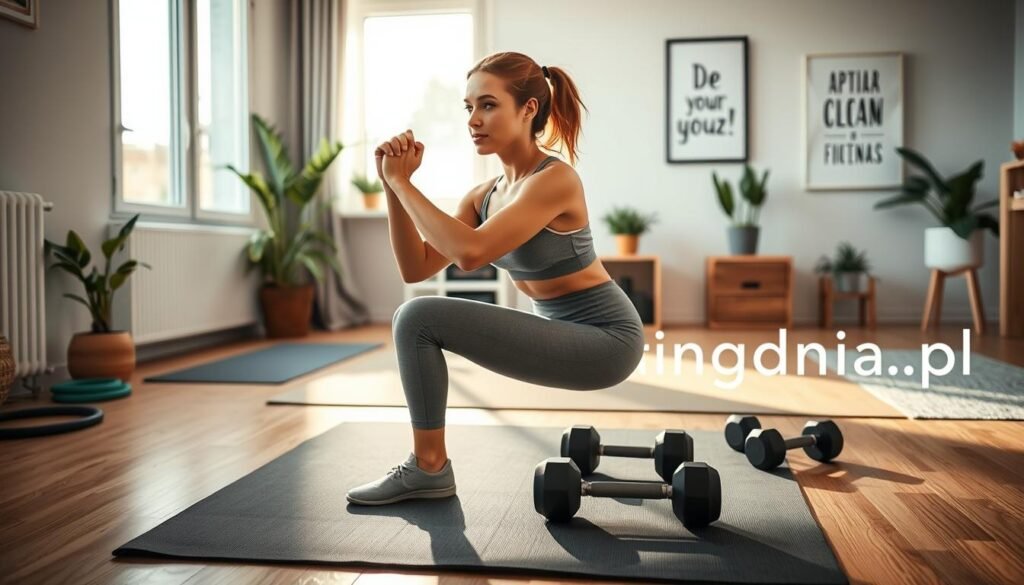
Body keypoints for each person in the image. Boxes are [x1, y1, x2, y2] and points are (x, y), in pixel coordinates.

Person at [346, 51, 645, 506]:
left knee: (416, 317)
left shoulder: (554, 180)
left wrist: (407, 185)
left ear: (528, 109)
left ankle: (428, 468)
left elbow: (470, 253)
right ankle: (429, 468)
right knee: (414, 317)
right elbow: (416, 266)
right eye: (468, 108)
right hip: (556, 332)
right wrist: (392, 185)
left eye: (487, 105)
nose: (473, 120)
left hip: (606, 340)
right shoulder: (484, 195)